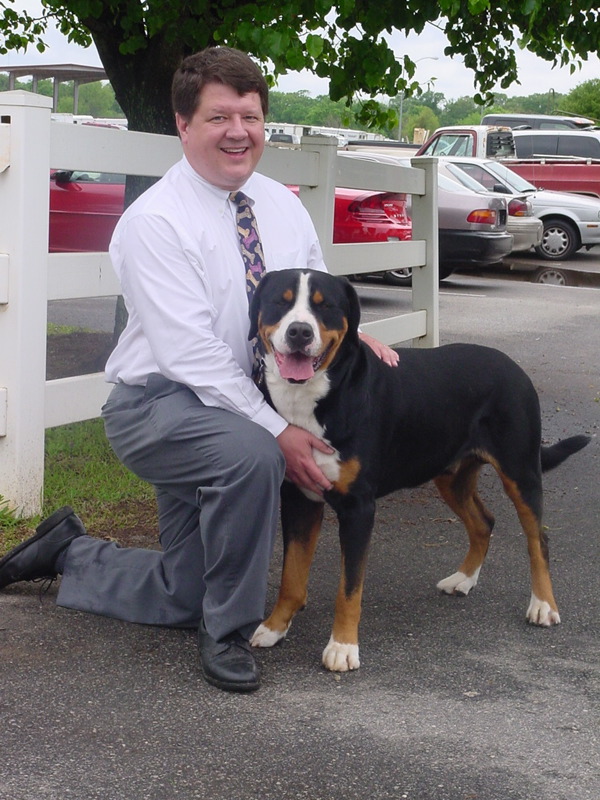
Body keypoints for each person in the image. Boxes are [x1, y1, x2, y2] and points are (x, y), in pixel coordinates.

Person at [0, 46, 397, 692]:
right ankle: (230, 632)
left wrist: (352, 336)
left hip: (231, 405)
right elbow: (191, 356)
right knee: (254, 456)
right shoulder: (155, 221)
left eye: (250, 116)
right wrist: (277, 429)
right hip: (159, 406)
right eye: (219, 117)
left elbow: (313, 297)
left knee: (187, 590)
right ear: (183, 125)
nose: (238, 132)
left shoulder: (282, 205)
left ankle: (69, 551)